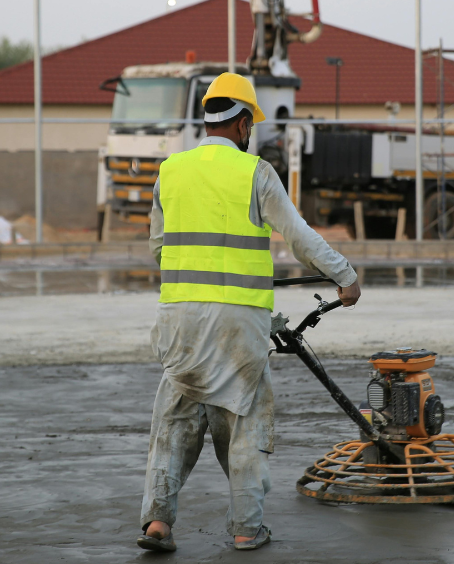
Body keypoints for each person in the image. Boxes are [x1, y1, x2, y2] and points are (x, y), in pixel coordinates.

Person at [137, 72, 361, 553]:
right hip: (238, 322)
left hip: (178, 317)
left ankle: (157, 522)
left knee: (173, 418)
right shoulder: (255, 172)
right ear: (242, 123)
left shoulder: (170, 171)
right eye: (250, 123)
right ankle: (246, 528)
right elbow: (297, 236)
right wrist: (344, 276)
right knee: (244, 422)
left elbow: (158, 249)